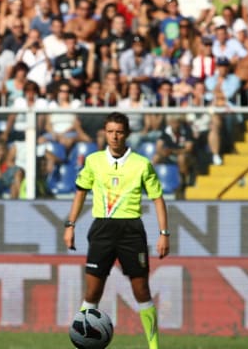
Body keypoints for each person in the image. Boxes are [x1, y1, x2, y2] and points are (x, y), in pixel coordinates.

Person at [63, 112, 170, 349]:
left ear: (127, 134)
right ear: (105, 133)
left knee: (141, 288)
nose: (114, 136)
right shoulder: (93, 161)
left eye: (119, 132)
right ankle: (81, 341)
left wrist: (164, 234)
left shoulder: (142, 164)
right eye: (110, 131)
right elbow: (80, 192)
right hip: (102, 228)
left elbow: (158, 199)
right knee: (92, 291)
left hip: (131, 230)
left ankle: (154, 346)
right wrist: (70, 226)